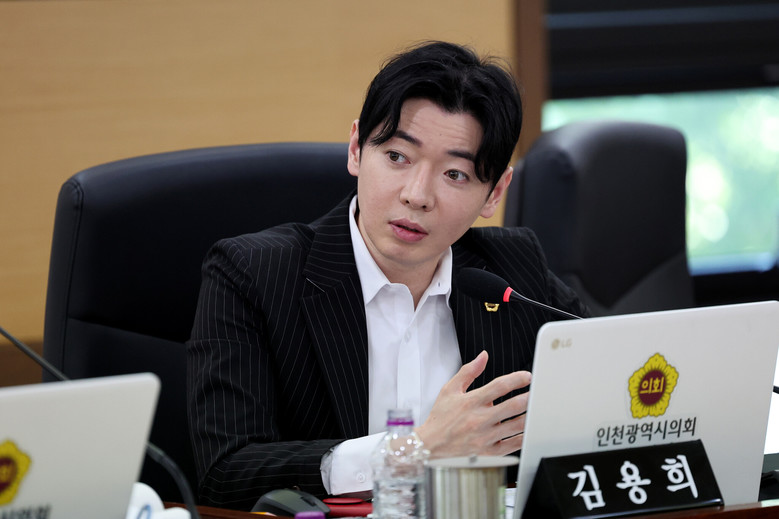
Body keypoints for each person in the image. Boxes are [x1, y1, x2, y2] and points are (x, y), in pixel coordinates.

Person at [187, 40, 589, 510]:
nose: (417, 195)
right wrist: (413, 452)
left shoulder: (512, 273)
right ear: (357, 149)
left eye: (455, 174)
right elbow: (225, 473)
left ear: (494, 193)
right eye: (398, 157)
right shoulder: (253, 275)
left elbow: (608, 396)